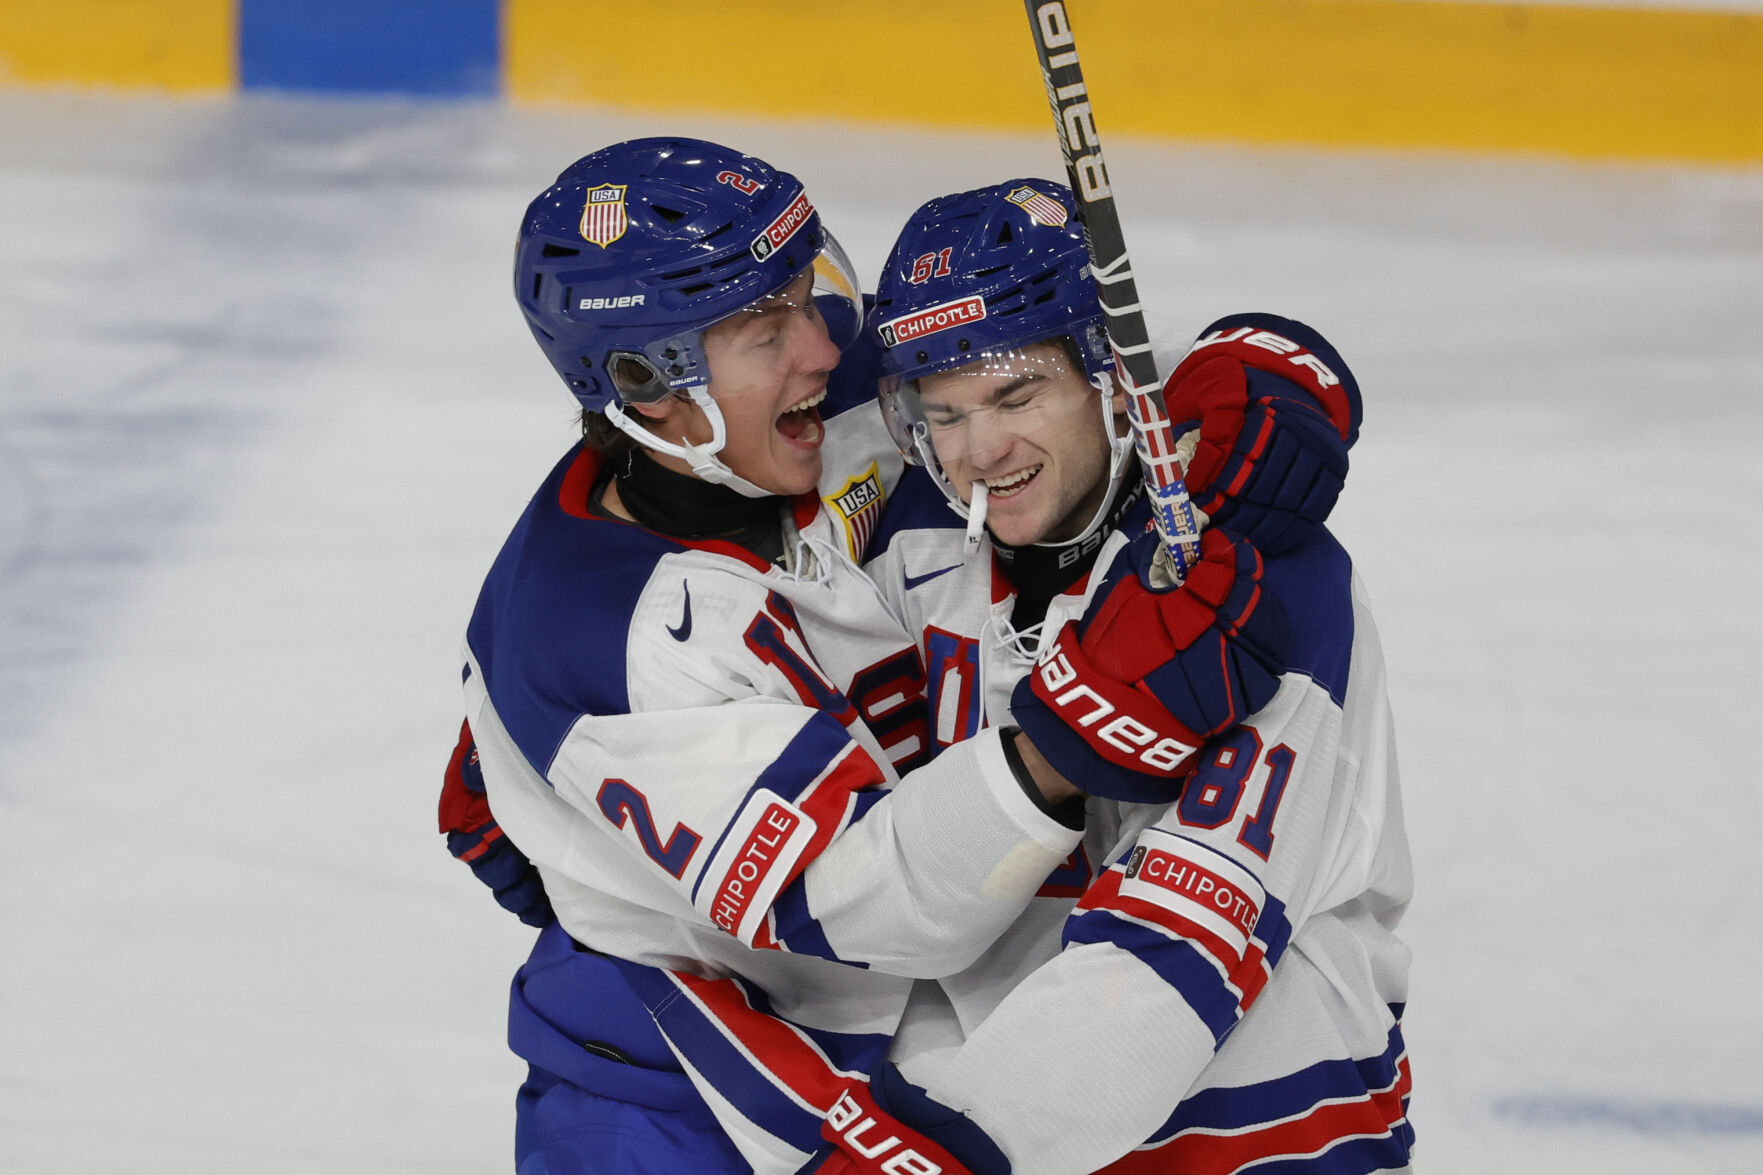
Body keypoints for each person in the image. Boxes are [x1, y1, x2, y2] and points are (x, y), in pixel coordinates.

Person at [446, 143, 1282, 1174]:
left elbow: (1061, 359)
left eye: (808, 292)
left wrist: (1260, 376)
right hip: (676, 1097)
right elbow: (881, 904)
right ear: (646, 385)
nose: (827, 345)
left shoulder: (788, 414)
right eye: (766, 329)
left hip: (877, 1050)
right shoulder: (615, 646)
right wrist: (1075, 730)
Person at [803, 180, 1414, 1174]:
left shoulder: (1264, 580)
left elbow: (1174, 947)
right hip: (1005, 1120)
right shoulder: (913, 546)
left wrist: (931, 1153)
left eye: (1015, 395)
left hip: (1259, 1135)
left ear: (1108, 375)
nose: (979, 450)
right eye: (942, 412)